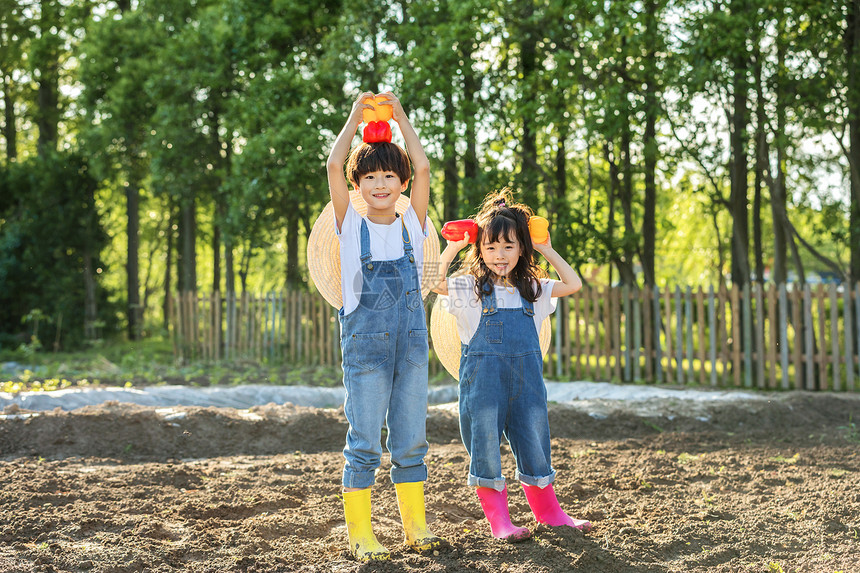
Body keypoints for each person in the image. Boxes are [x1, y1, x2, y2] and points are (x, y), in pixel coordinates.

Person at [325, 91, 444, 561]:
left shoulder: (414, 224)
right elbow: (334, 166)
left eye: (389, 176)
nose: (380, 184)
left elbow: (424, 165)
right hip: (367, 353)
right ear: (359, 184)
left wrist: (401, 116)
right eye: (370, 176)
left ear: (401, 182)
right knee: (365, 443)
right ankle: (361, 534)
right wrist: (356, 115)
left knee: (412, 439)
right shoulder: (350, 226)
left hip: (412, 350)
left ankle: (415, 526)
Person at [435, 189, 592, 542]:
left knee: (535, 440)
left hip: (527, 388)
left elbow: (574, 283)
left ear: (522, 247)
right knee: (485, 444)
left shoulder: (533, 289)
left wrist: (545, 247)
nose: (499, 255)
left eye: (509, 246)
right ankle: (500, 522)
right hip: (483, 388)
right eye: (490, 247)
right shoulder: (469, 289)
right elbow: (431, 282)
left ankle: (550, 514)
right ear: (480, 251)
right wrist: (453, 248)